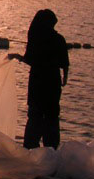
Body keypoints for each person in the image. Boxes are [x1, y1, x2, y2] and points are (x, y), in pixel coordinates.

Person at [8, 9, 69, 149]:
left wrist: (18, 57)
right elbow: (64, 63)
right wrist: (65, 78)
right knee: (51, 116)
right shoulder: (59, 39)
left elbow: (30, 60)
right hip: (52, 82)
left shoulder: (36, 38)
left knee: (35, 115)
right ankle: (51, 147)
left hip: (37, 81)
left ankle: (31, 146)